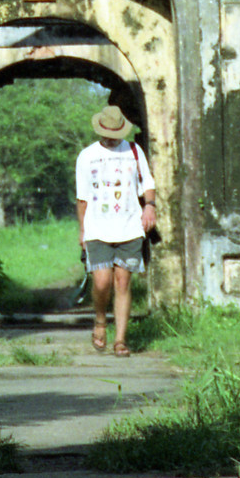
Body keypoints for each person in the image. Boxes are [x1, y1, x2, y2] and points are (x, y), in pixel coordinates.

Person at [75, 104, 156, 356]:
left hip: (130, 226)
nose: (110, 137)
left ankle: (120, 339)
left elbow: (147, 183)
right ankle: (100, 321)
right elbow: (82, 198)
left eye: (115, 132)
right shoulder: (87, 156)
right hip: (98, 227)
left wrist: (150, 206)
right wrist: (82, 230)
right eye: (106, 132)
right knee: (102, 282)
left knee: (123, 282)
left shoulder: (133, 151)